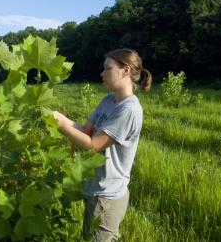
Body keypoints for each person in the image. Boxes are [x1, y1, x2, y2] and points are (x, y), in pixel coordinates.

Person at [53, 48, 152, 242]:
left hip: (108, 195)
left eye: (107, 68)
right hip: (94, 187)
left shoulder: (129, 109)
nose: (102, 73)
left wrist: (61, 125)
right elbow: (85, 131)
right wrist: (58, 115)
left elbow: (93, 145)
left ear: (125, 70)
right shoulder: (109, 100)